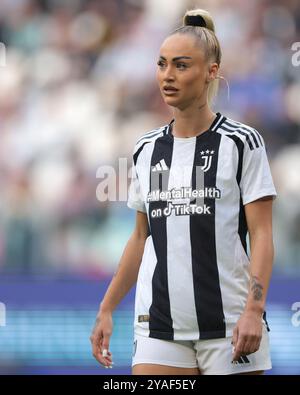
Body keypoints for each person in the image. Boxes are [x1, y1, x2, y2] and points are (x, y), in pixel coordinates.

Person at [90, 8, 277, 375]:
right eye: (161, 64)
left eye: (181, 65)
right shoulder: (147, 148)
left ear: (211, 72)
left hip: (230, 327)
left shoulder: (241, 143)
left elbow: (262, 233)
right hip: (159, 326)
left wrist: (254, 311)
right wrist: (107, 307)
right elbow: (141, 238)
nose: (167, 76)